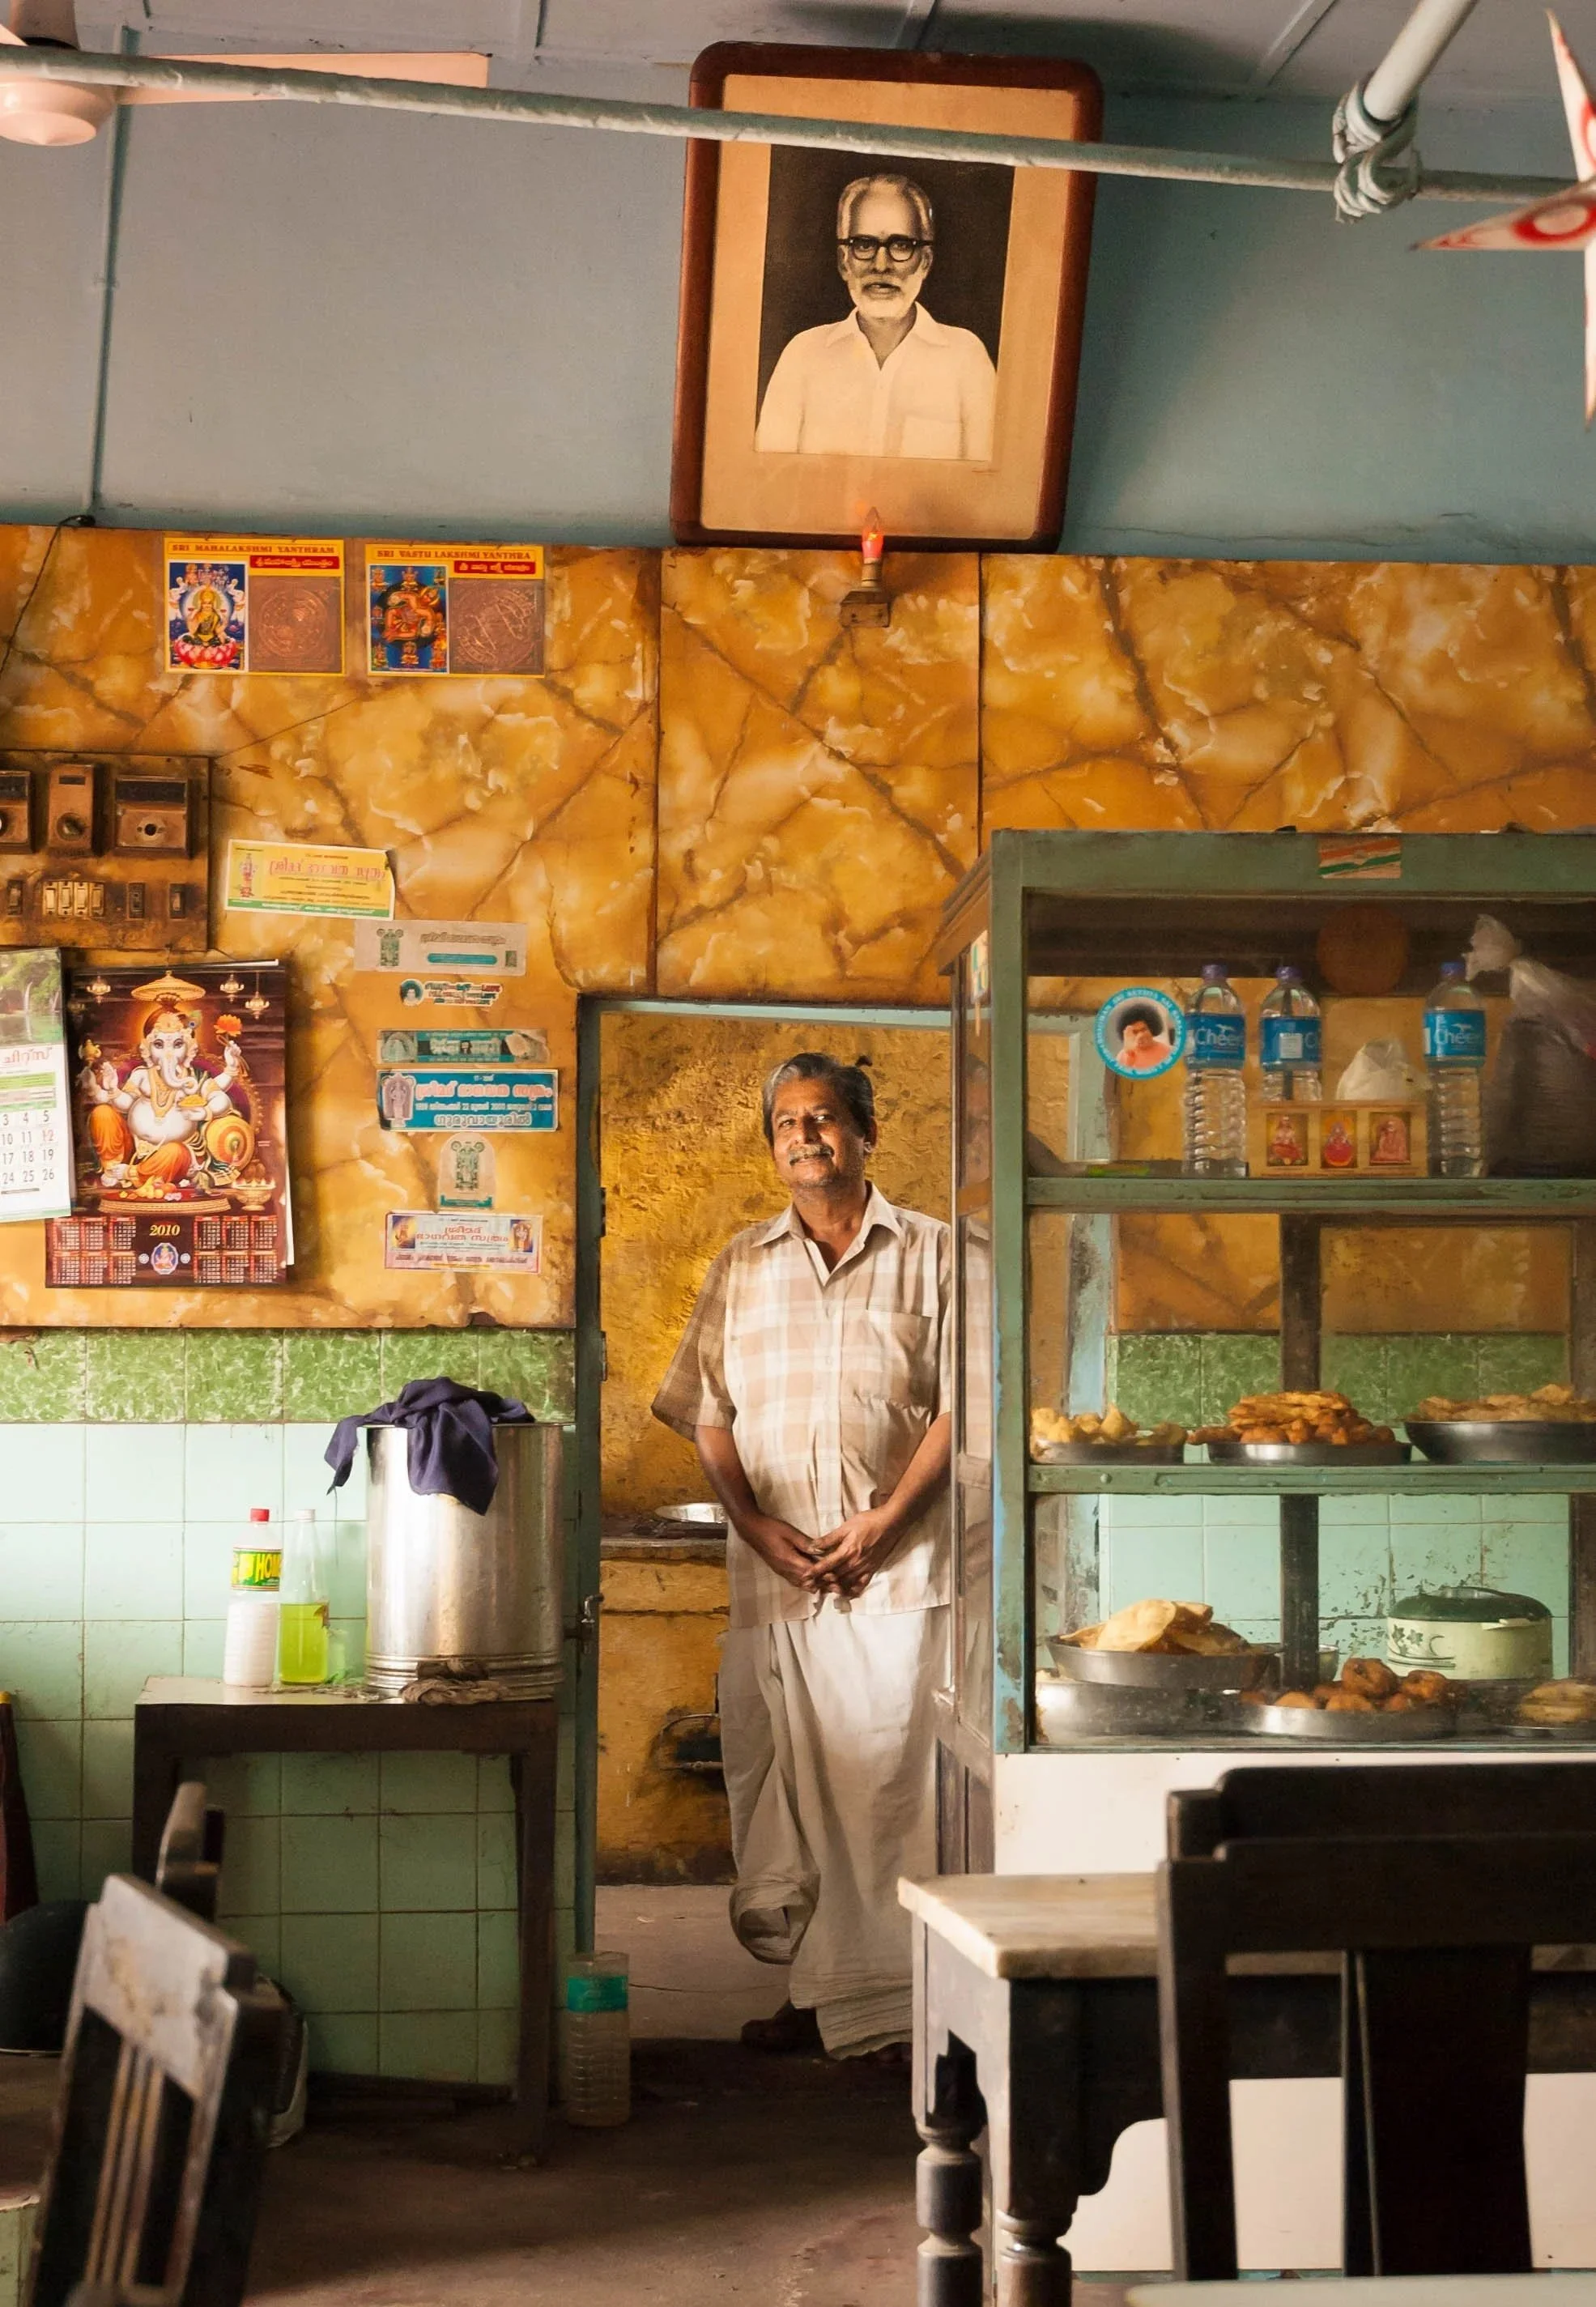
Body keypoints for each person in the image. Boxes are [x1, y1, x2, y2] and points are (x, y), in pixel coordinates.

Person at [652, 1053, 951, 2059]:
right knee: (785, 1784)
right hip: (777, 1580)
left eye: (824, 1118)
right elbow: (707, 1411)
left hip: (901, 1579)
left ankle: (904, 2005)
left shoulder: (941, 1254)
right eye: (785, 1122)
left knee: (891, 1793)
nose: (804, 1136)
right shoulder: (743, 1262)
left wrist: (889, 1520)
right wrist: (752, 1524)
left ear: (867, 1132)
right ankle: (822, 1991)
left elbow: (969, 1408)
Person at [755, 173, 996, 462]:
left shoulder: (966, 358)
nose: (881, 265)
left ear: (926, 262)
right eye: (864, 245)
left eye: (901, 246)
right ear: (844, 261)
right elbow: (768, 480)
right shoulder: (802, 355)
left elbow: (987, 488)